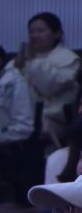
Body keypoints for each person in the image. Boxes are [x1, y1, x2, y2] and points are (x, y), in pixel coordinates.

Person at [19, 10, 80, 138]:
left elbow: (49, 87)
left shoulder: (69, 59)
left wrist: (33, 61)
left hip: (52, 118)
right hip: (23, 114)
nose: (34, 35)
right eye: (31, 32)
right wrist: (16, 67)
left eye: (40, 31)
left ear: (57, 34)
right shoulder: (24, 57)